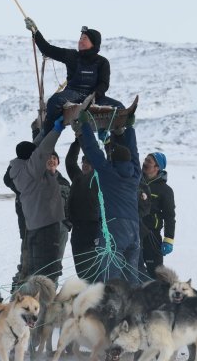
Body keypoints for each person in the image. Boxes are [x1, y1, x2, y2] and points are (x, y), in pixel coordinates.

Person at [24, 17, 124, 136]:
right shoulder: (71, 56)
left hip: (94, 96)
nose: (80, 41)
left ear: (94, 43)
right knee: (54, 101)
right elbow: (48, 49)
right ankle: (48, 133)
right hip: (73, 93)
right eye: (80, 38)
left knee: (120, 108)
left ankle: (116, 138)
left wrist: (94, 95)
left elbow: (104, 84)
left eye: (84, 38)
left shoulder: (102, 62)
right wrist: (35, 32)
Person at [75, 113, 141, 284]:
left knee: (110, 277)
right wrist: (129, 129)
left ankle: (112, 309)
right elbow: (134, 153)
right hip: (134, 229)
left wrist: (85, 125)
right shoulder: (135, 174)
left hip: (114, 228)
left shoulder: (108, 173)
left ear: (113, 158)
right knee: (131, 275)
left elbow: (92, 150)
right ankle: (135, 309)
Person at [9, 118, 67, 285]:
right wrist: (56, 130)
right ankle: (41, 304)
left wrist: (42, 132)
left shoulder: (18, 168)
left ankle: (27, 301)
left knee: (34, 268)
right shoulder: (32, 170)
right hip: (46, 226)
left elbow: (37, 149)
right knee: (47, 269)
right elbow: (43, 149)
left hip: (34, 226)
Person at [65, 139, 101, 281]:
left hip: (93, 229)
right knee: (81, 270)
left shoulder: (98, 178)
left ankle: (98, 298)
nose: (85, 165)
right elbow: (70, 162)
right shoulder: (78, 177)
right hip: (77, 229)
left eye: (89, 163)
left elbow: (97, 159)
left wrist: (85, 138)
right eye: (83, 162)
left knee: (95, 269)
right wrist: (77, 142)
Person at [139, 152, 176, 279]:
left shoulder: (165, 190)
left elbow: (170, 217)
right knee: (132, 270)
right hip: (132, 232)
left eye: (149, 161)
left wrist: (168, 239)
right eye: (145, 159)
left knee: (155, 273)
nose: (145, 163)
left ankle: (158, 298)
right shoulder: (135, 182)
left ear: (157, 167)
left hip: (151, 235)